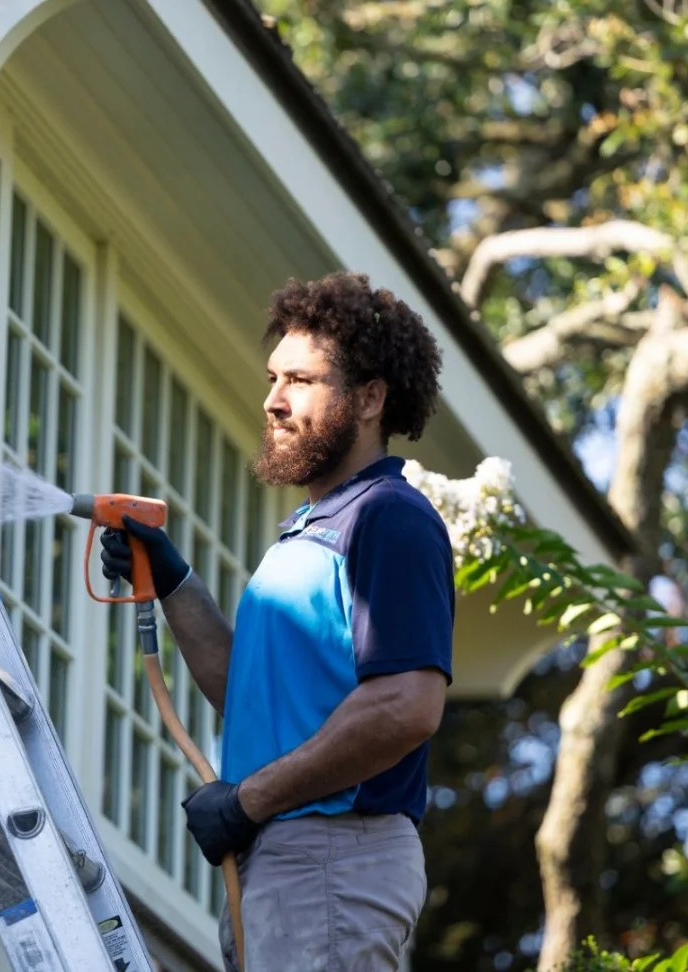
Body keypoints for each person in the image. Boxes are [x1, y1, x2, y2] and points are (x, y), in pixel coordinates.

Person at [101, 272, 454, 971]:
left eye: (301, 380)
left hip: (331, 859)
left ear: (370, 399)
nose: (273, 400)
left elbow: (406, 706)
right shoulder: (308, 531)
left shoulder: (388, 517)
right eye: (273, 378)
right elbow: (253, 697)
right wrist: (173, 581)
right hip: (288, 865)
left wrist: (247, 801)